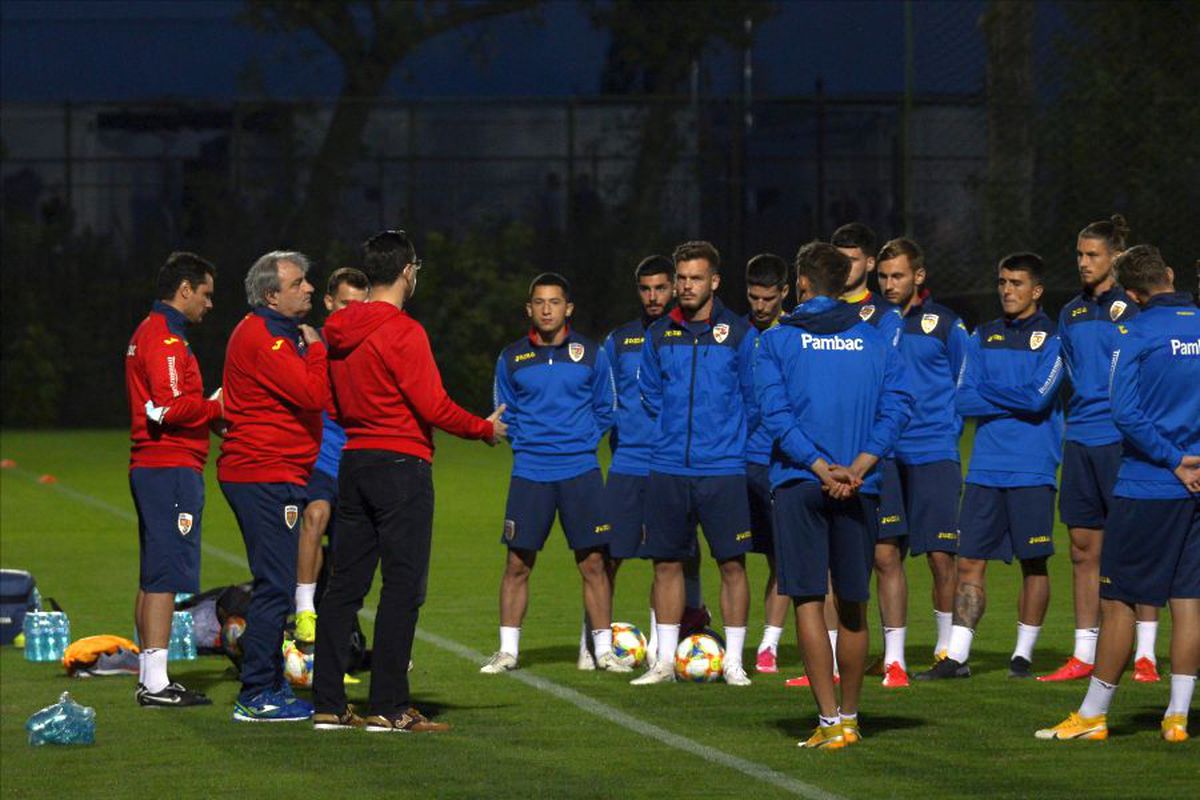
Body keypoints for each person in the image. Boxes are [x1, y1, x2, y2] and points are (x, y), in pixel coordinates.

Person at [313, 230, 505, 732]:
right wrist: (485, 429)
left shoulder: (337, 329)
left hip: (353, 462)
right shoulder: (404, 331)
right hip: (401, 465)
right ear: (406, 272)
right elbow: (433, 406)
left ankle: (329, 703)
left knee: (344, 587)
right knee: (402, 589)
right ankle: (389, 705)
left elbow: (330, 400)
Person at [1036, 244, 1199, 743]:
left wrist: (1172, 460)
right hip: (1196, 486)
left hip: (1148, 485)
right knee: (1188, 601)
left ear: (1130, 293)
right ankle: (1177, 717)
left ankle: (1094, 713)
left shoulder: (1135, 333)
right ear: (1170, 274)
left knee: (1119, 601)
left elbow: (1124, 413)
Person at [756, 240, 912, 748]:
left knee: (806, 599)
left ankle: (826, 723)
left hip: (802, 481)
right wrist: (860, 465)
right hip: (860, 485)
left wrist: (821, 468)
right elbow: (898, 407)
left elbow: (776, 416)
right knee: (853, 603)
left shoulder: (778, 341)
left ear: (801, 284)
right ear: (846, 282)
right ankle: (850, 718)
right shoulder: (873, 339)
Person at [917, 252, 1064, 681]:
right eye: (1002, 282)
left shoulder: (1054, 338)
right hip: (984, 469)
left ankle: (1022, 655)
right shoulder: (982, 336)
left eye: (1017, 283)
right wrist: (1014, 394)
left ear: (1036, 290)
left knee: (1033, 562)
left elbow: (1041, 400)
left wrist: (994, 393)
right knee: (969, 562)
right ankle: (957, 657)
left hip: (1033, 467)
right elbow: (964, 398)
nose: (1007, 290)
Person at [1040, 216, 1161, 683]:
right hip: (1080, 438)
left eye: (1092, 255)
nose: (1084, 263)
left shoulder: (1134, 310)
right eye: (1079, 254)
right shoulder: (1069, 312)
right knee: (1082, 548)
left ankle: (1146, 653)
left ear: (1114, 257)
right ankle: (1084, 652)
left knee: (1134, 546)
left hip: (1122, 440)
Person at [631, 240, 757, 686]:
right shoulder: (659, 333)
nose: (685, 286)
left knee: (731, 564)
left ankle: (735, 661)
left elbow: (754, 398)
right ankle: (664, 661)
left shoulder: (740, 334)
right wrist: (670, 432)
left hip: (722, 468)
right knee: (665, 563)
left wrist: (728, 439)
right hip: (668, 466)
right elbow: (649, 393)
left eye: (695, 278)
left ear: (714, 282)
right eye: (681, 278)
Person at [480, 273, 619, 674]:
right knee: (517, 564)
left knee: (593, 562)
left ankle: (604, 651)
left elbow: (605, 408)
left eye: (554, 302)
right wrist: (528, 443)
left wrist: (581, 441)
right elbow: (504, 413)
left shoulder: (591, 353)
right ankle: (507, 651)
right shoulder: (512, 357)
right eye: (539, 302)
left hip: (580, 470)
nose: (546, 309)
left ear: (568, 308)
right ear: (529, 309)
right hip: (531, 472)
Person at [220, 250, 328, 722]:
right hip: (265, 474)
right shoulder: (266, 337)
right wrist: (318, 348)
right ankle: (258, 692)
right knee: (275, 586)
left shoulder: (272, 332)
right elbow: (313, 394)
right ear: (271, 295)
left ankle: (266, 683)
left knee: (275, 583)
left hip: (271, 470)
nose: (308, 288)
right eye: (298, 283)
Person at [600, 256, 707, 671]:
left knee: (677, 554)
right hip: (629, 463)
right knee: (609, 555)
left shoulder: (686, 336)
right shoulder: (620, 340)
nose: (653, 296)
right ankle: (594, 641)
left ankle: (679, 633)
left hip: (674, 463)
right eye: (646, 289)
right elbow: (607, 400)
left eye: (661, 288)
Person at [125, 251, 221, 708]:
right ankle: (157, 685)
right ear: (184, 290)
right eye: (205, 294)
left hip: (154, 466)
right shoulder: (164, 338)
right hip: (169, 465)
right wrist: (220, 406)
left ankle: (150, 674)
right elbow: (168, 406)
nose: (209, 304)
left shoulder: (152, 330)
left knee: (151, 575)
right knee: (164, 575)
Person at [876, 238, 969, 670]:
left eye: (898, 275)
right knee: (885, 553)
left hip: (933, 451)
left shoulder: (946, 324)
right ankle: (893, 655)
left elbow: (963, 381)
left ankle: (947, 649)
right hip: (887, 455)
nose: (890, 284)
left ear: (919, 275)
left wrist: (946, 432)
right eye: (883, 276)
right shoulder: (871, 324)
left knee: (939, 555)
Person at [832, 222, 910, 688]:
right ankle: (831, 656)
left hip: (876, 454)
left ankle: (895, 658)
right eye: (837, 259)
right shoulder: (818, 312)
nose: (846, 267)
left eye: (853, 259)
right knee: (829, 559)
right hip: (827, 452)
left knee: (885, 555)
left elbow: (879, 377)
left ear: (868, 263)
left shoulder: (885, 316)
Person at [294, 268, 370, 645]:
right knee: (315, 514)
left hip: (358, 461)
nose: (351, 313)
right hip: (320, 458)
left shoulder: (371, 347)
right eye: (343, 304)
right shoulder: (308, 344)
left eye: (359, 306)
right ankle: (304, 611)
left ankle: (341, 629)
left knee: (349, 551)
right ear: (328, 303)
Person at [741, 253, 793, 674]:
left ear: (784, 294)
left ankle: (768, 646)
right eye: (754, 297)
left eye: (768, 298)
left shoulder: (793, 335)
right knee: (728, 555)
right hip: (727, 461)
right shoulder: (734, 333)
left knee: (781, 556)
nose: (760, 306)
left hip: (773, 463)